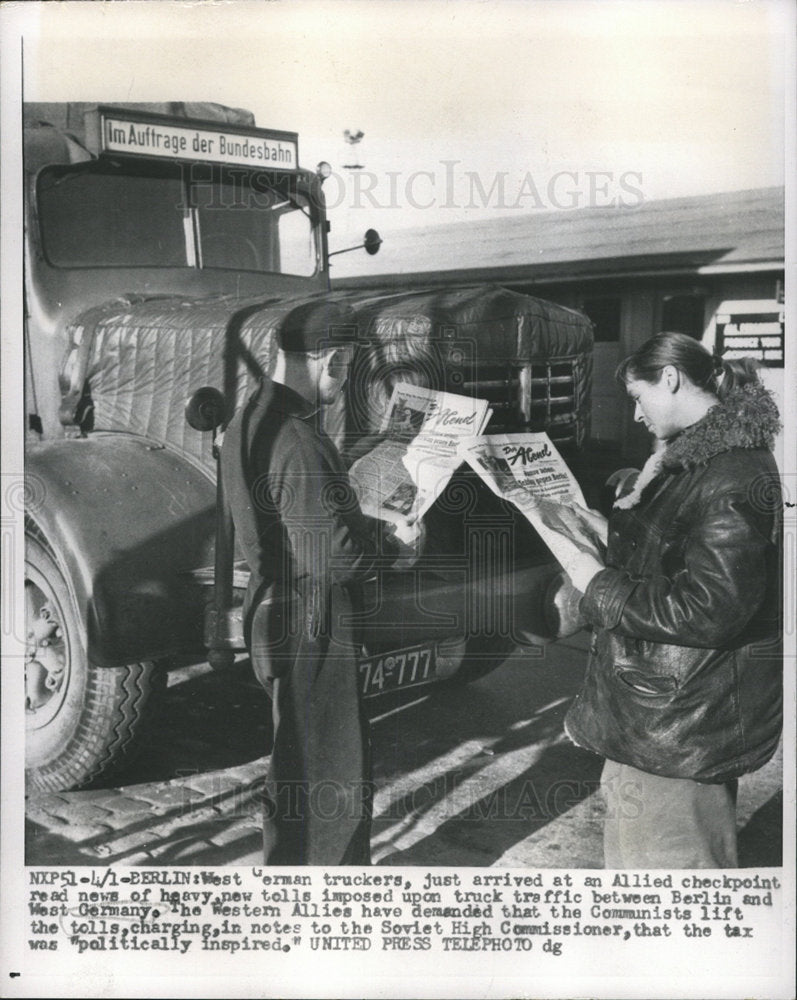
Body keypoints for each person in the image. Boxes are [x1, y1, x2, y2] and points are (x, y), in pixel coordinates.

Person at [542, 332, 782, 868]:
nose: (634, 415)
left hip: (681, 729)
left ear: (670, 379)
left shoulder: (731, 473)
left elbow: (708, 606)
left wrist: (593, 578)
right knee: (636, 875)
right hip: (655, 718)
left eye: (637, 397)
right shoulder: (701, 458)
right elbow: (676, 554)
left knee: (676, 890)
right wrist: (601, 527)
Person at [221, 300, 417, 865]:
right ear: (329, 360)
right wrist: (391, 543)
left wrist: (362, 519)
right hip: (314, 622)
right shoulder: (300, 440)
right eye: (348, 367)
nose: (346, 380)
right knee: (332, 776)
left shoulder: (249, 419)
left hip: (276, 609)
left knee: (297, 767)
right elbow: (337, 559)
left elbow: (300, 523)